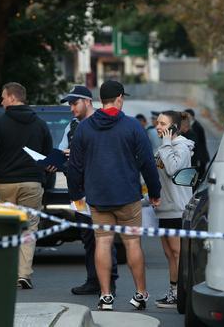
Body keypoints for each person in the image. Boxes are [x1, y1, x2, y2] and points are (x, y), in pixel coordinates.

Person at [67, 80, 161, 311]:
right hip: (128, 196)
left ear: (100, 100)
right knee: (132, 244)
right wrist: (155, 192)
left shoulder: (84, 128)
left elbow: (74, 166)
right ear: (119, 98)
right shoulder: (132, 126)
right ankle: (140, 294)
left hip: (97, 197)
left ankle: (106, 296)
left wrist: (76, 194)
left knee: (102, 242)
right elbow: (148, 162)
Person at [0, 82, 53, 290]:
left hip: (5, 183)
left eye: (3, 97)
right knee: (29, 228)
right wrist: (42, 179)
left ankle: (7, 272)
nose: (2, 101)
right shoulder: (39, 124)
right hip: (32, 183)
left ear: (13, 98)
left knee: (7, 228)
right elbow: (48, 157)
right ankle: (23, 274)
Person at [57, 85, 119, 296]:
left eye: (74, 103)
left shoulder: (103, 123)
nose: (71, 108)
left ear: (88, 101)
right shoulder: (72, 127)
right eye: (70, 104)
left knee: (105, 237)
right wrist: (57, 159)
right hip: (79, 190)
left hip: (101, 189)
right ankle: (93, 280)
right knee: (88, 237)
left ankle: (109, 282)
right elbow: (60, 150)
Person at [152, 110, 194, 308]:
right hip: (164, 209)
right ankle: (173, 292)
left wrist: (166, 145)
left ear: (174, 127)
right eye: (157, 123)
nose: (157, 127)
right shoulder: (164, 147)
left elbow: (172, 169)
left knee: (178, 254)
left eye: (162, 123)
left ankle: (180, 294)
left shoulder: (182, 148)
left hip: (178, 209)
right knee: (170, 254)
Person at [184, 108, 210, 179]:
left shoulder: (197, 127)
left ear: (192, 116)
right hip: (197, 156)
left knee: (198, 177)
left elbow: (197, 144)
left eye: (187, 116)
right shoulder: (190, 125)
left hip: (200, 156)